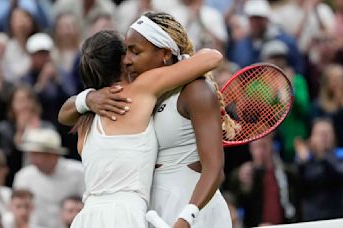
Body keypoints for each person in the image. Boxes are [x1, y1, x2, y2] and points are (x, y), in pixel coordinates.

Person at [58, 12, 232, 227]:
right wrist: (89, 97)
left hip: (192, 211)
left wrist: (187, 217)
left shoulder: (193, 90)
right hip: (149, 211)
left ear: (165, 53)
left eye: (135, 51)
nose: (128, 60)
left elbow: (215, 167)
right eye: (126, 51)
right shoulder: (138, 94)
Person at [12, 127, 85, 228]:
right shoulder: (23, 177)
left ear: (53, 154)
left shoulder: (78, 172)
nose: (32, 159)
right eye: (31, 154)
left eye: (37, 154)